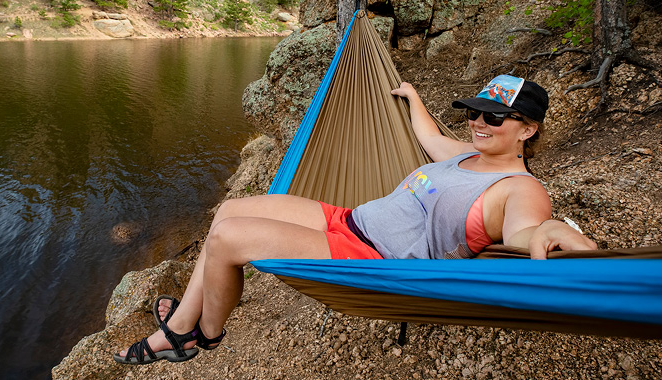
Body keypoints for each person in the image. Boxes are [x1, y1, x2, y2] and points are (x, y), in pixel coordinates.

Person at [114, 74, 597, 365]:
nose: (477, 123)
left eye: (494, 118)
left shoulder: (521, 188)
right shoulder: (466, 155)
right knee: (229, 209)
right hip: (348, 220)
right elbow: (429, 137)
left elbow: (525, 233)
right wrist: (411, 97)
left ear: (528, 130)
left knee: (227, 237)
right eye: (475, 112)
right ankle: (182, 325)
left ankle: (198, 335)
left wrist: (553, 230)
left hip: (371, 258)